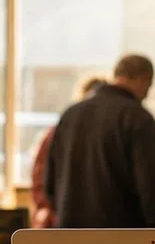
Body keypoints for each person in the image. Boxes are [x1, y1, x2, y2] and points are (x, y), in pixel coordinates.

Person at [45, 53, 155, 229]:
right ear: (143, 80)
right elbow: (150, 186)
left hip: (71, 235)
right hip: (120, 240)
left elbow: (50, 182)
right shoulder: (138, 118)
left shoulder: (71, 114)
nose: (147, 94)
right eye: (149, 86)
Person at [28, 74, 109, 228]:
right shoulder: (60, 132)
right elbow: (40, 178)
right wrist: (52, 210)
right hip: (62, 219)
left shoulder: (104, 136)